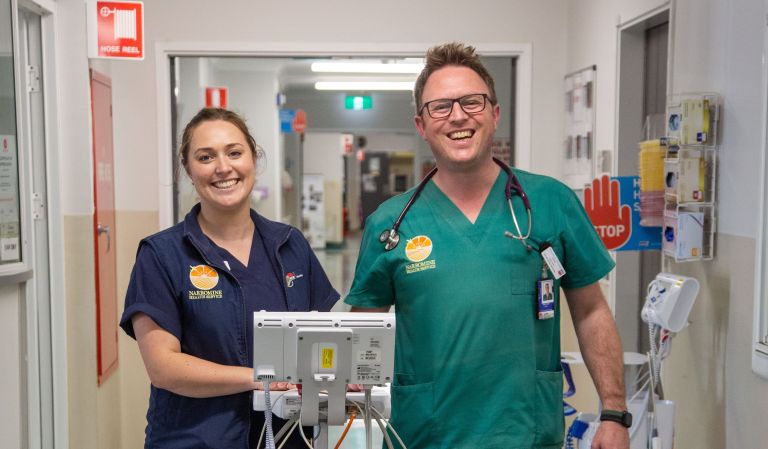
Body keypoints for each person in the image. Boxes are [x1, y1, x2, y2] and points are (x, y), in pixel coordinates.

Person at [345, 43, 630, 449]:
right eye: (440, 107)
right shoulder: (390, 224)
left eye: (472, 102)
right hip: (425, 435)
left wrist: (614, 412)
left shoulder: (551, 203)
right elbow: (365, 333)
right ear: (421, 126)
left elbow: (591, 310)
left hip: (526, 432)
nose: (458, 115)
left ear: (495, 114)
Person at [120, 107, 339, 448]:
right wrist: (260, 379)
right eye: (206, 157)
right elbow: (163, 367)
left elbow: (317, 344)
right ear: (189, 171)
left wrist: (341, 377)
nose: (223, 167)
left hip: (286, 437)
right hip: (196, 439)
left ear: (253, 159)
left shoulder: (290, 245)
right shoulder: (162, 255)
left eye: (234, 153)